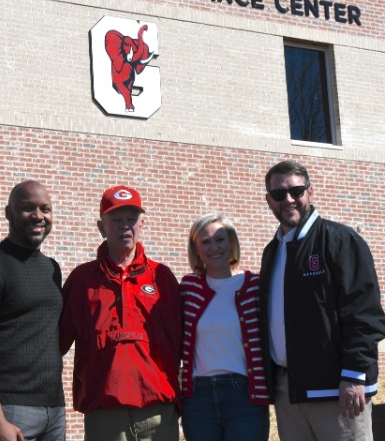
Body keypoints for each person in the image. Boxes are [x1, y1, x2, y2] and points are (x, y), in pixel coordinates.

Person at [259, 159, 385, 441]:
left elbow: (364, 314)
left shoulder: (340, 240)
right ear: (269, 200)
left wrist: (353, 375)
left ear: (310, 192)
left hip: (339, 391)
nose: (288, 199)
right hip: (289, 393)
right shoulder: (272, 252)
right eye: (279, 194)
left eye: (296, 191)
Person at [60, 185, 182, 441]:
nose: (125, 226)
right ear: (101, 227)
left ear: (142, 224)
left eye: (131, 219)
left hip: (158, 413)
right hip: (105, 415)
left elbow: (184, 343)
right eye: (116, 220)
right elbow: (55, 343)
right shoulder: (82, 280)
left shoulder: (162, 277)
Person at [0, 180, 65, 441]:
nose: (38, 216)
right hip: (8, 408)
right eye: (28, 208)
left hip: (54, 408)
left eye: (45, 209)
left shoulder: (52, 269)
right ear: (9, 213)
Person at [180, 213, 270, 441]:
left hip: (244, 395)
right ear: (196, 249)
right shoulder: (189, 287)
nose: (214, 247)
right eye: (205, 242)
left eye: (220, 239)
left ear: (231, 242)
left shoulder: (254, 286)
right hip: (198, 398)